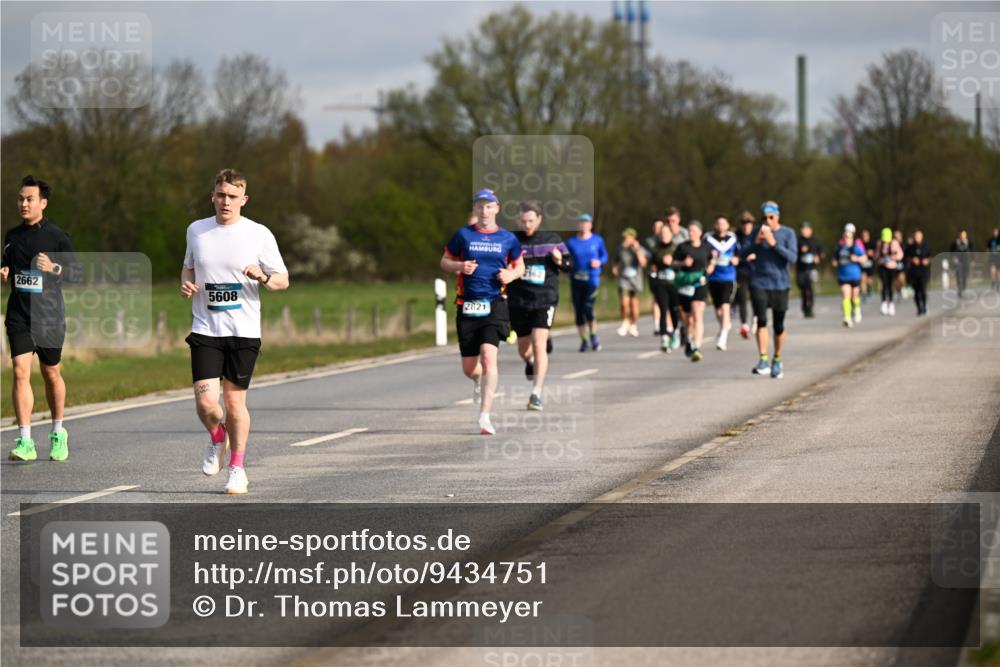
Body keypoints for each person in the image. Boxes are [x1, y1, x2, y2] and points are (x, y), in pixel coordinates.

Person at [181, 168, 290, 494]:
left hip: (243, 332)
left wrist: (264, 277)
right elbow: (188, 265)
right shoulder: (197, 231)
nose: (226, 202)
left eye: (232, 196)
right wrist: (185, 283)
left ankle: (237, 469)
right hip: (205, 329)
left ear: (244, 199)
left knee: (233, 402)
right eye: (221, 195)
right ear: (212, 196)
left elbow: (283, 280)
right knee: (206, 404)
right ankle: (217, 438)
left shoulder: (258, 234)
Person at [441, 189, 524, 435]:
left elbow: (520, 264)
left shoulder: (508, 238)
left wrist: (511, 274)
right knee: (469, 367)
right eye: (480, 206)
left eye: (489, 207)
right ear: (475, 209)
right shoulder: (463, 235)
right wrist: (459, 265)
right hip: (466, 305)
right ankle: (477, 380)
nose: (484, 211)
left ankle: (485, 416)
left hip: (495, 304)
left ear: (497, 208)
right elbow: (444, 261)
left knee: (489, 356)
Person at [3, 175, 75, 462]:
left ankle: (58, 432)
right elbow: (8, 268)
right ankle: (25, 441)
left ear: (42, 203)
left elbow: (77, 274)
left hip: (49, 316)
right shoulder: (11, 236)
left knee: (51, 373)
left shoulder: (58, 236)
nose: (23, 203)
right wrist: (4, 274)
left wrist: (55, 267)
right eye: (21, 198)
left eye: (29, 198)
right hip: (19, 314)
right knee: (21, 371)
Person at [507, 201, 568, 411]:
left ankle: (536, 394)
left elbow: (570, 265)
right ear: (518, 220)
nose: (527, 225)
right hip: (519, 300)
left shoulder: (552, 240)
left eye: (531, 221)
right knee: (524, 349)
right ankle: (530, 360)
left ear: (539, 219)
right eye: (523, 221)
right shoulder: (511, 240)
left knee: (539, 343)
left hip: (544, 299)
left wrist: (560, 261)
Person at [744, 201, 797, 379]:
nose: (767, 220)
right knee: (761, 320)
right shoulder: (756, 232)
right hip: (759, 282)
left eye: (771, 217)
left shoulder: (788, 233)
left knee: (779, 325)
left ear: (777, 216)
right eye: (765, 217)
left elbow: (792, 257)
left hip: (780, 284)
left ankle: (777, 358)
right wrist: (756, 243)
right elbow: (742, 254)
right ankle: (763, 358)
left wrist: (774, 244)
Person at [566, 213, 608, 352]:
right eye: (581, 222)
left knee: (588, 307)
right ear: (578, 225)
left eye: (586, 223)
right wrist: (567, 267)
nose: (584, 225)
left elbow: (604, 256)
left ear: (590, 225)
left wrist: (599, 262)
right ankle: (584, 340)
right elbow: (566, 258)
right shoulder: (571, 242)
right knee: (578, 311)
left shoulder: (597, 240)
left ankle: (594, 336)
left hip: (592, 278)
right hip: (576, 279)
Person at [673, 220, 715, 362]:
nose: (691, 233)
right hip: (685, 283)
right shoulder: (682, 247)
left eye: (694, 231)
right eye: (689, 231)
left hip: (700, 283)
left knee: (697, 314)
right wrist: (683, 263)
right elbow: (673, 263)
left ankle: (696, 346)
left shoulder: (706, 247)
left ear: (700, 232)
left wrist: (711, 266)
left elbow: (712, 259)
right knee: (687, 319)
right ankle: (689, 339)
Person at [705, 214, 739, 350]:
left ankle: (723, 338)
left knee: (725, 306)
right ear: (715, 225)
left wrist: (737, 259)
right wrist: (710, 258)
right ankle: (723, 327)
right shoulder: (708, 239)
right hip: (713, 277)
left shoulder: (733, 238)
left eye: (723, 223)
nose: (721, 226)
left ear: (728, 225)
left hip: (728, 277)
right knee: (718, 309)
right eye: (718, 223)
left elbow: (740, 252)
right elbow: (702, 253)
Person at [649, 224, 681, 352]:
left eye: (666, 233)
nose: (664, 235)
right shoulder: (656, 250)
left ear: (671, 234)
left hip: (674, 284)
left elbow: (682, 266)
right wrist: (653, 270)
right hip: (661, 284)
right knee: (663, 310)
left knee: (674, 311)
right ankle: (664, 338)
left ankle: (675, 333)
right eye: (662, 233)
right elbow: (652, 267)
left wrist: (672, 263)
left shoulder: (677, 249)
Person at [613, 228, 647, 337]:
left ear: (633, 238)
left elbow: (643, 263)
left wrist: (636, 249)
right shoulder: (620, 248)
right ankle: (625, 322)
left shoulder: (639, 248)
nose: (625, 239)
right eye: (624, 237)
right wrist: (615, 269)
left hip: (635, 279)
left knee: (634, 304)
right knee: (624, 302)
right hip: (624, 278)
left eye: (628, 237)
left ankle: (633, 324)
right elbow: (615, 262)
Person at [832, 223, 866, 327]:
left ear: (852, 238)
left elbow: (864, 258)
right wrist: (835, 263)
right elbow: (834, 260)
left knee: (854, 296)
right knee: (846, 296)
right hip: (843, 276)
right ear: (843, 237)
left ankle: (857, 309)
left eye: (849, 237)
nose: (847, 239)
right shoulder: (839, 247)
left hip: (855, 276)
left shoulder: (856, 247)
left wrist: (857, 259)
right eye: (846, 237)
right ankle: (847, 318)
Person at [734, 211, 756, 339]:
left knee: (755, 298)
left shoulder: (757, 235)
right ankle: (744, 325)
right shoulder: (736, 236)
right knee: (741, 298)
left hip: (755, 271)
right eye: (743, 223)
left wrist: (755, 256)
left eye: (748, 223)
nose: (745, 226)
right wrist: (739, 258)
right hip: (741, 271)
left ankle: (756, 319)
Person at [795, 222, 822, 318]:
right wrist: (800, 250)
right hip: (801, 269)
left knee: (809, 289)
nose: (805, 231)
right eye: (803, 229)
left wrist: (818, 257)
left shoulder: (815, 241)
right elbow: (793, 254)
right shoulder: (797, 241)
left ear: (811, 230)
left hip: (811, 269)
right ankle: (804, 306)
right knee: (803, 289)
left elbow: (821, 253)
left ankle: (809, 308)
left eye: (807, 229)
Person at [874, 227, 903, 315]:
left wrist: (893, 257)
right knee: (884, 284)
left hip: (892, 267)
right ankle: (883, 303)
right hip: (882, 267)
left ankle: (891, 303)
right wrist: (878, 257)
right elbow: (877, 255)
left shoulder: (894, 243)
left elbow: (900, 254)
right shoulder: (880, 244)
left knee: (890, 285)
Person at [644, 219, 665, 334]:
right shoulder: (649, 241)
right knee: (656, 298)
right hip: (654, 273)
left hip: (667, 273)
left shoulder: (668, 239)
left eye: (660, 227)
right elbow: (646, 256)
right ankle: (657, 325)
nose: (658, 229)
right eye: (656, 227)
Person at [905, 229, 931, 315]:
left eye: (918, 236)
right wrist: (912, 260)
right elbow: (905, 257)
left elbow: (930, 257)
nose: (917, 238)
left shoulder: (926, 246)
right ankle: (919, 308)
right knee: (916, 291)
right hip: (914, 272)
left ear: (921, 237)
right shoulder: (910, 247)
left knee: (923, 289)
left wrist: (926, 261)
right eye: (916, 236)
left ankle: (924, 305)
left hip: (923, 271)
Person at [950, 230, 973, 298]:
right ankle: (959, 289)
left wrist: (972, 260)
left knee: (965, 274)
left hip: (966, 261)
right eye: (961, 234)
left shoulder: (969, 242)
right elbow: (951, 251)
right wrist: (953, 258)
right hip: (958, 261)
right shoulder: (955, 243)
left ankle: (964, 286)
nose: (962, 236)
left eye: (964, 234)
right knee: (958, 275)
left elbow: (972, 251)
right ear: (959, 235)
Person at [859, 228, 875, 300]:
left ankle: (870, 288)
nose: (865, 237)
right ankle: (864, 294)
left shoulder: (872, 243)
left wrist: (872, 253)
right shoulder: (860, 244)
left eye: (866, 236)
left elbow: (876, 253)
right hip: (862, 264)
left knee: (869, 280)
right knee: (863, 279)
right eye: (863, 236)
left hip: (869, 264)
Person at [989, 227, 1000, 292]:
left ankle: (998, 285)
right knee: (992, 271)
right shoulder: (991, 240)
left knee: (998, 273)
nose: (995, 233)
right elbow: (989, 249)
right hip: (993, 258)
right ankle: (993, 282)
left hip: (999, 258)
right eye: (994, 231)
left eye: (996, 231)